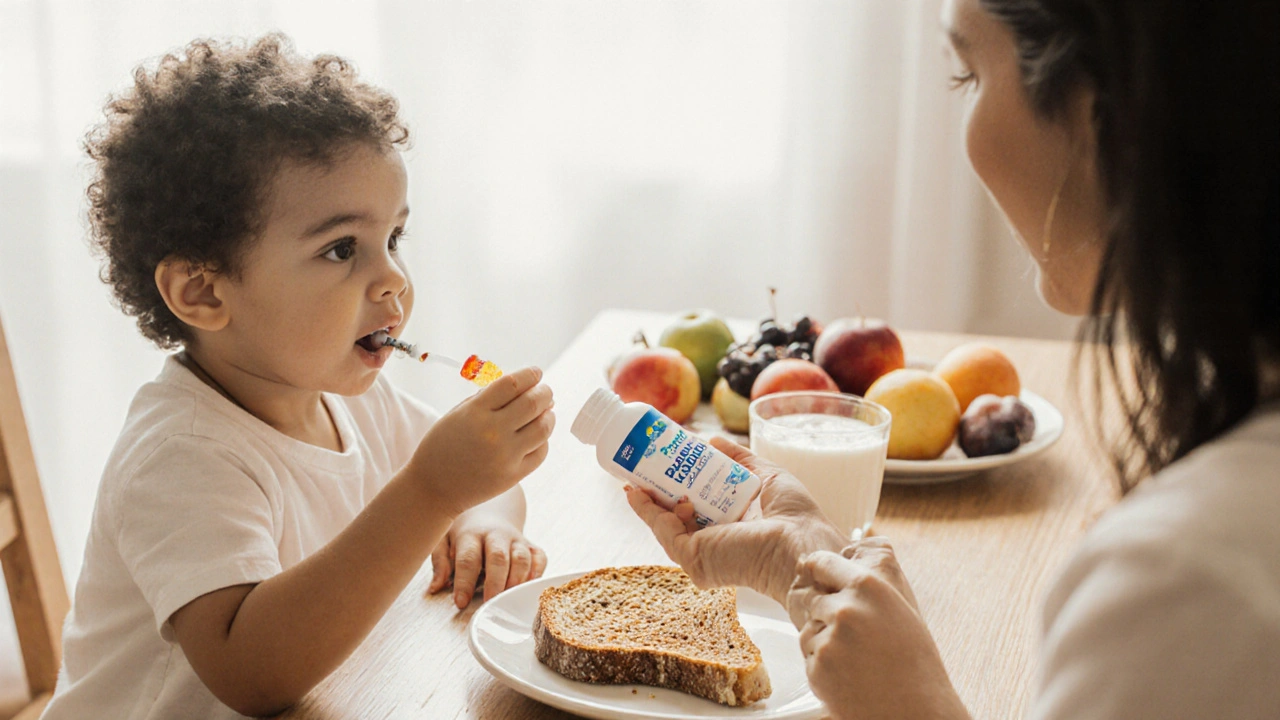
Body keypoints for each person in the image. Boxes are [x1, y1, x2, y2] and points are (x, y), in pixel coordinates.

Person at [628, 0, 1280, 717]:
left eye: (968, 75)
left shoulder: (1188, 584)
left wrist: (913, 704)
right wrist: (807, 556)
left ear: (1104, 118)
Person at [42, 34, 556, 719]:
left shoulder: (345, 397)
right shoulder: (181, 455)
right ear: (203, 292)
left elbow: (478, 482)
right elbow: (253, 673)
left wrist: (484, 523)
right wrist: (432, 492)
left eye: (393, 240)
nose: (394, 280)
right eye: (342, 249)